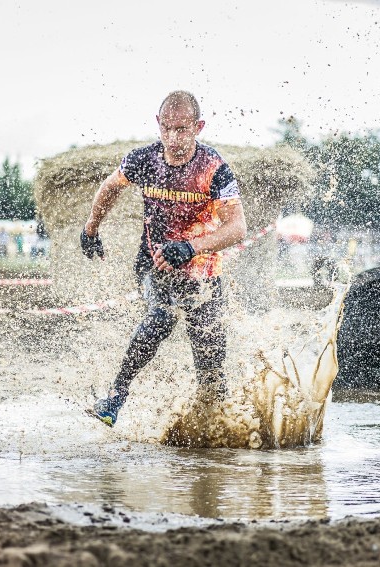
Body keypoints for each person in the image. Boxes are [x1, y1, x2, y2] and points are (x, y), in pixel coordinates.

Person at [81, 90, 246, 427]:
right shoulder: (143, 160)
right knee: (161, 317)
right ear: (158, 124)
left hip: (202, 272)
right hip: (154, 263)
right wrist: (91, 228)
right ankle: (114, 399)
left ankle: (214, 425)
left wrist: (192, 246)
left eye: (182, 130)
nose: (174, 138)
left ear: (198, 127)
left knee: (210, 357)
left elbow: (238, 228)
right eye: (167, 128)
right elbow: (110, 187)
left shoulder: (213, 168)